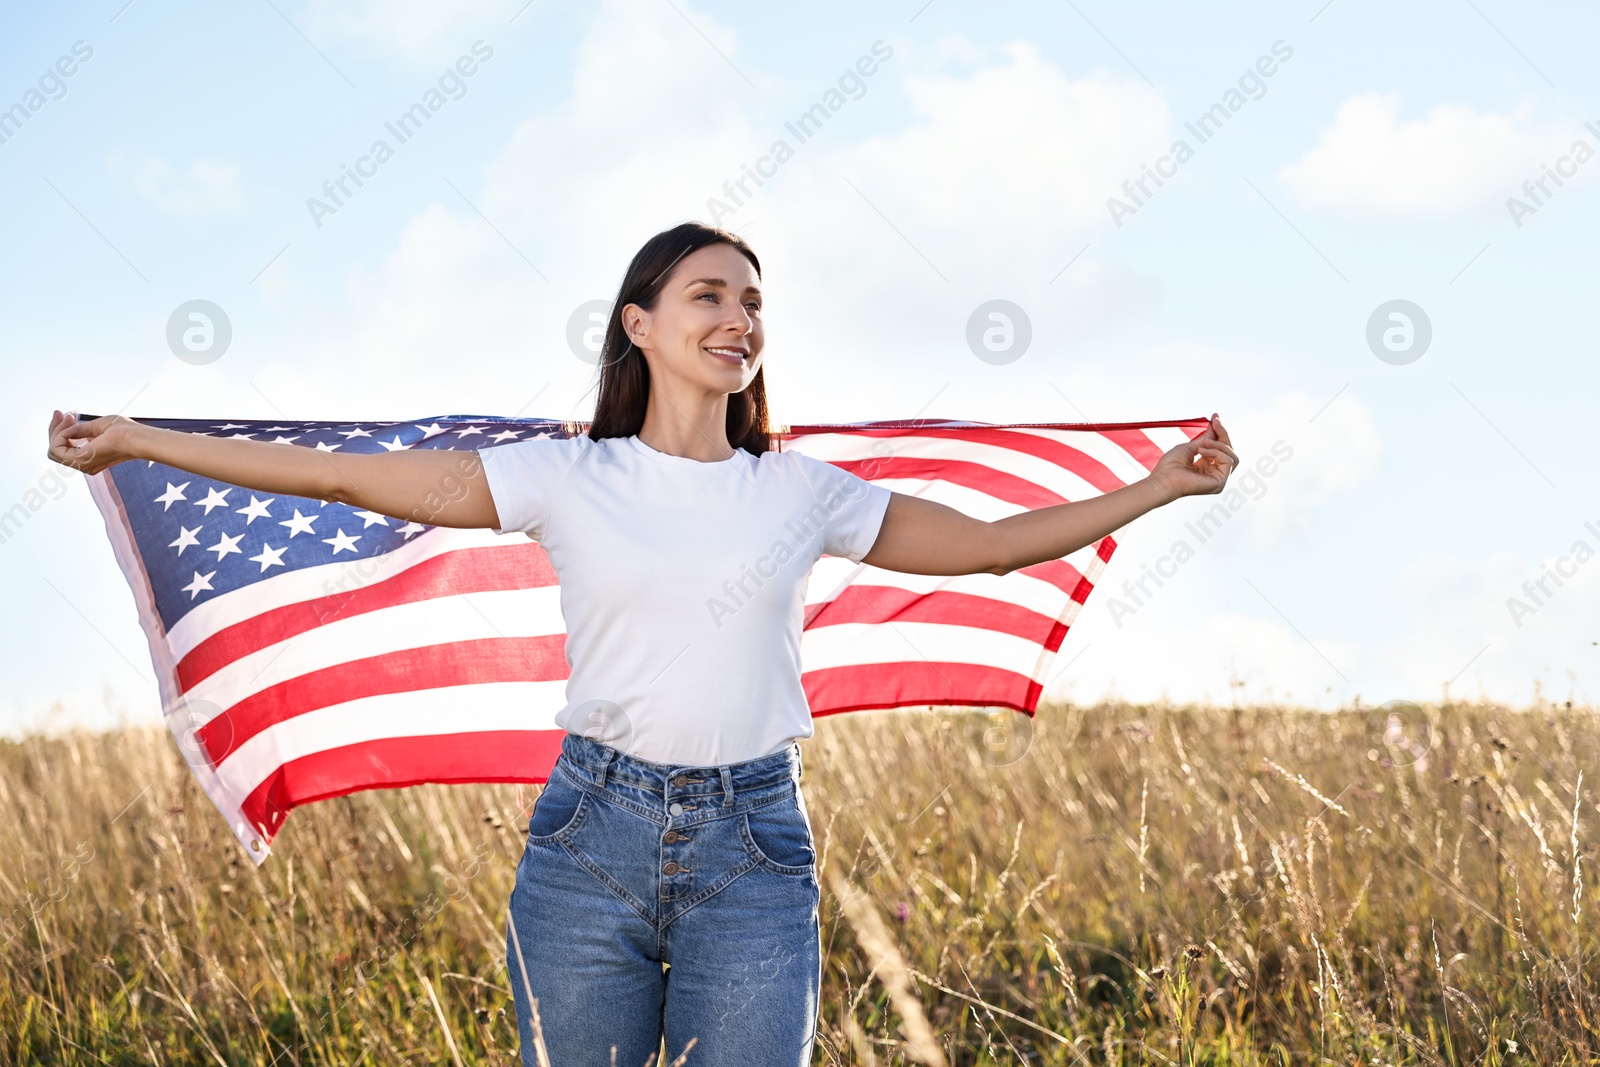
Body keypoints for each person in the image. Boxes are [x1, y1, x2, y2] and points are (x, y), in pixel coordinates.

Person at [46, 220, 1237, 1065]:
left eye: (754, 300)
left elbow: (987, 545)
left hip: (754, 847)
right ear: (641, 324)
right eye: (710, 295)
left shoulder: (800, 490)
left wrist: (1158, 488)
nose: (738, 317)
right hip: (587, 840)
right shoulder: (565, 475)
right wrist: (143, 439)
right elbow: (338, 476)